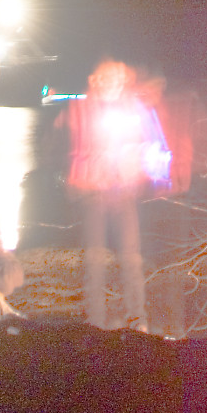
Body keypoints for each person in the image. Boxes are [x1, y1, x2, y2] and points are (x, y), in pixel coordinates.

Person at [64, 58, 152, 330]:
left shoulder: (132, 107)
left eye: (117, 78)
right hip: (93, 193)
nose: (113, 83)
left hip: (123, 191)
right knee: (94, 261)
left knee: (131, 258)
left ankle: (137, 320)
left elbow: (142, 140)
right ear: (97, 81)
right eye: (107, 78)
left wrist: (136, 159)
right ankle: (95, 323)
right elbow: (74, 147)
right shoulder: (82, 109)